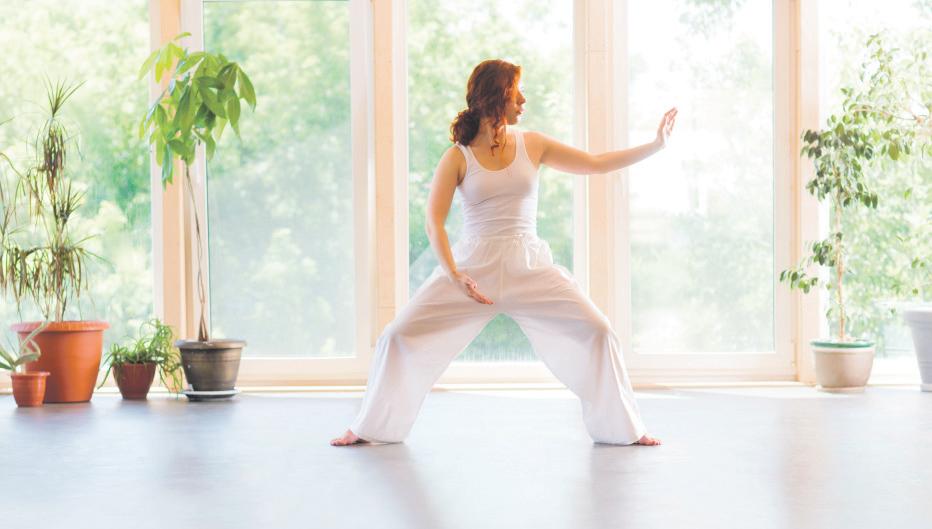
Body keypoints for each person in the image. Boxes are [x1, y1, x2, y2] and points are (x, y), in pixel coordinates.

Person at [332, 59, 676, 447]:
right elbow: (434, 223)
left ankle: (625, 428)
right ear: (495, 97)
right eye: (517, 93)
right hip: (472, 271)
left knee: (599, 331)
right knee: (396, 336)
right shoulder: (458, 157)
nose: (523, 101)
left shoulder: (533, 144)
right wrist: (454, 275)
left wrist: (655, 145)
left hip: (528, 268)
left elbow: (595, 165)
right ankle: (366, 427)